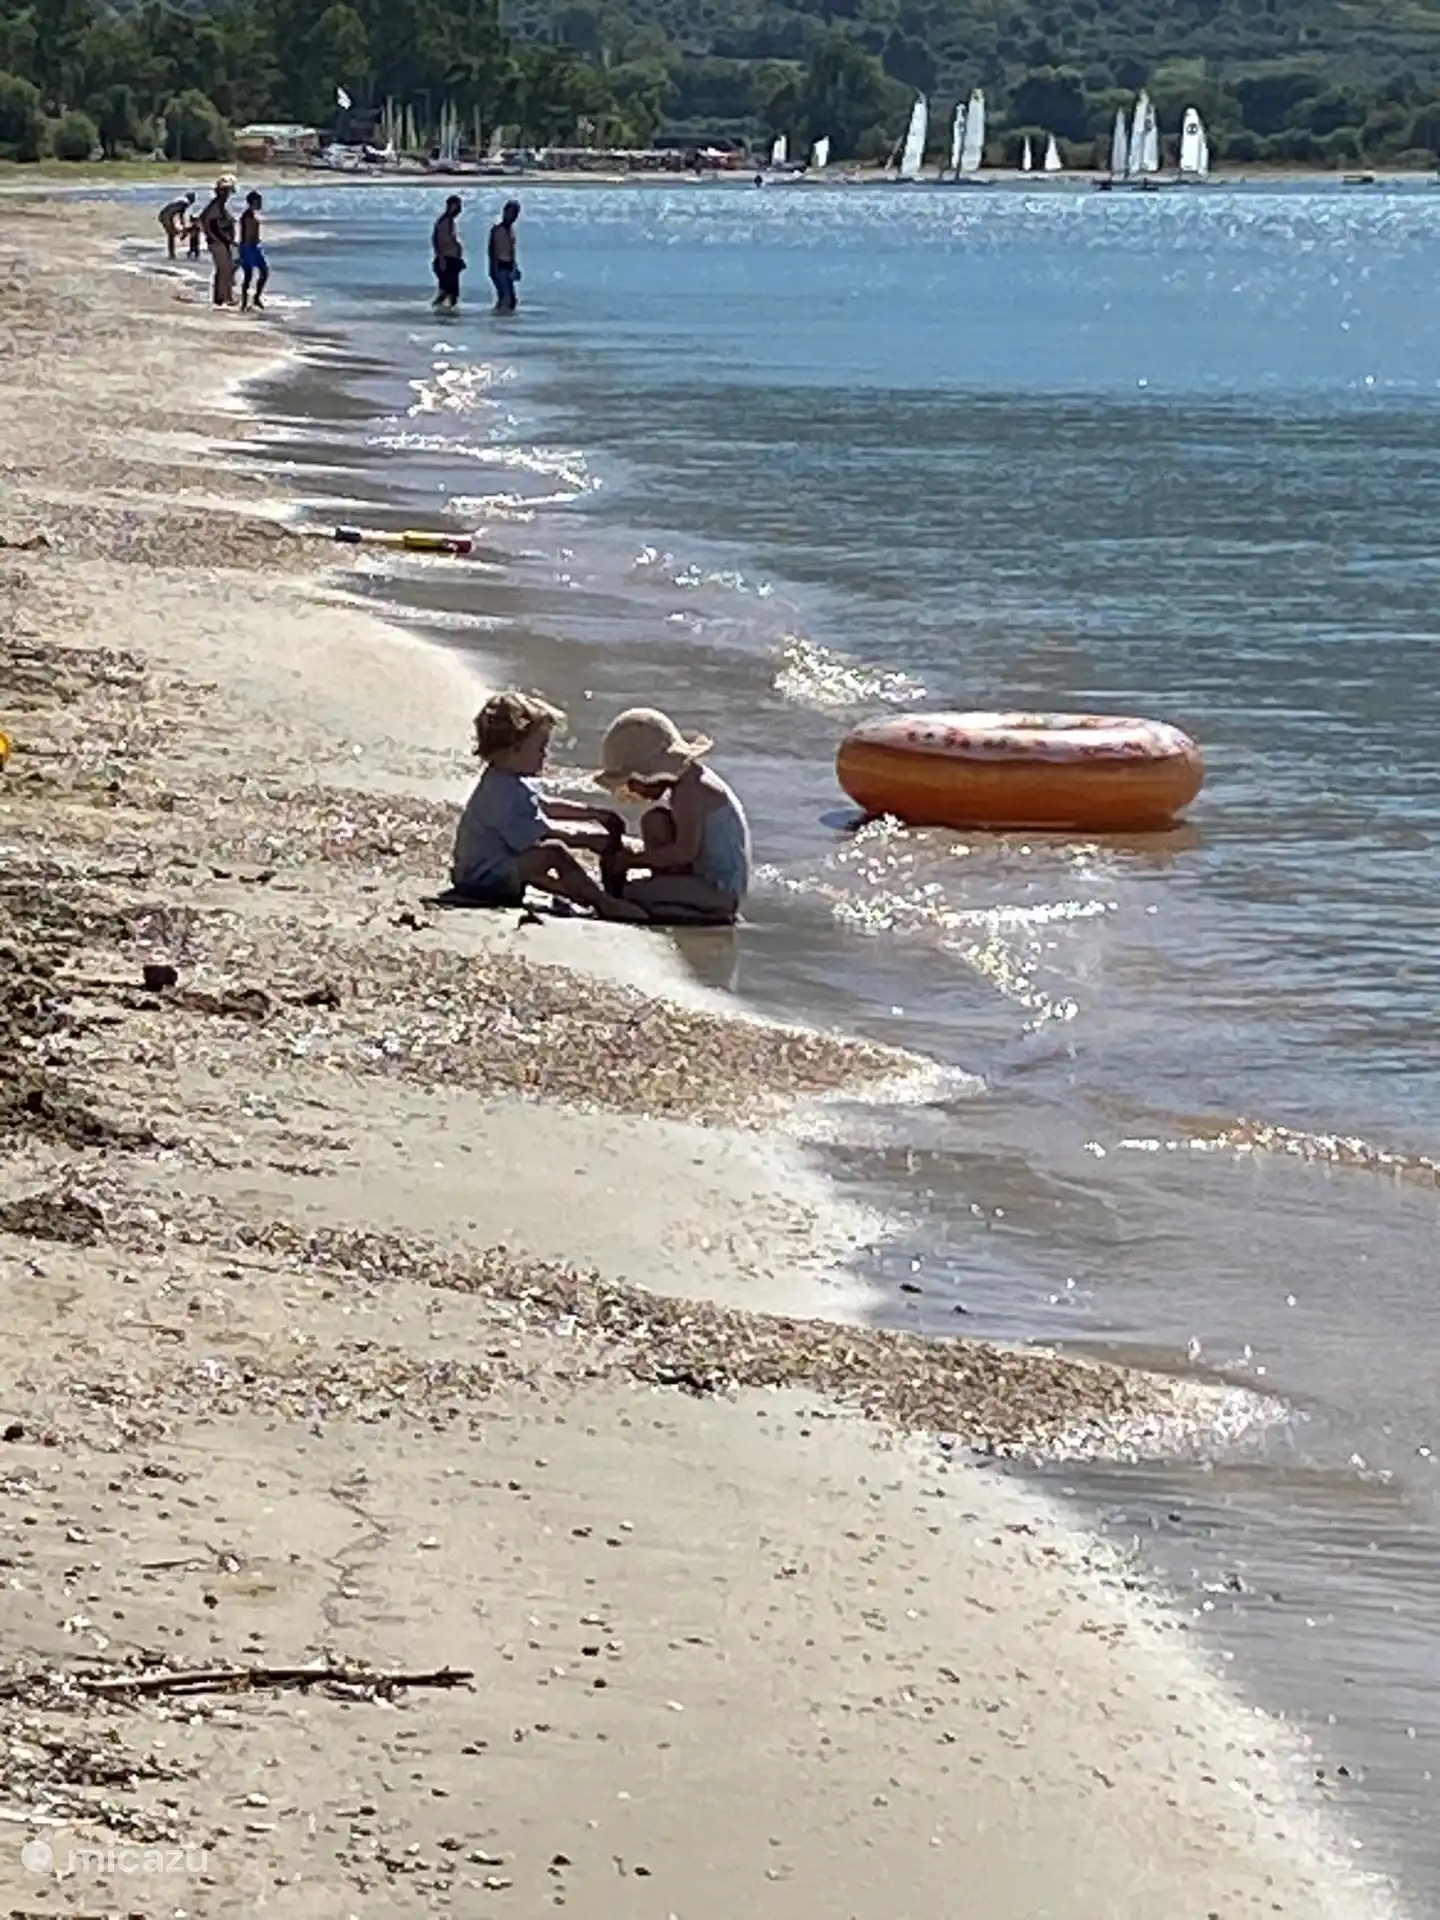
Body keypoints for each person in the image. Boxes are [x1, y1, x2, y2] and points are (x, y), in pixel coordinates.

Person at [451, 691, 645, 921]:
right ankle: (604, 903)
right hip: (480, 877)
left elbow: (544, 805)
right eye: (540, 748)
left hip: (494, 867)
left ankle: (590, 895)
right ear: (513, 751)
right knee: (553, 852)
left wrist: (594, 814)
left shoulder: (510, 780)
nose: (545, 755)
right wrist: (587, 839)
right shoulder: (499, 792)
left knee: (545, 856)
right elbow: (542, 832)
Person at [595, 708, 751, 925]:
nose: (633, 790)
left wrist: (631, 861)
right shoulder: (690, 779)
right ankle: (670, 891)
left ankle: (705, 912)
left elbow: (684, 853)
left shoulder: (688, 792)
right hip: (704, 879)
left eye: (633, 782)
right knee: (654, 820)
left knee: (629, 893)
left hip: (718, 890)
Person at [198, 175, 237, 307]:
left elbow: (205, 221)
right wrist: (226, 240)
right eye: (225, 191)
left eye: (228, 191)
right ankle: (220, 299)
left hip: (217, 242)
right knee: (224, 270)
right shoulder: (216, 205)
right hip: (217, 243)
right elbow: (213, 225)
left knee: (225, 269)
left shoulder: (218, 205)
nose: (227, 194)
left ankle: (224, 297)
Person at [487, 199, 521, 313]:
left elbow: (512, 251)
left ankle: (501, 318)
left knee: (510, 299)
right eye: (510, 213)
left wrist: (514, 267)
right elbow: (492, 251)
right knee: (507, 297)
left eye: (515, 214)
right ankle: (501, 317)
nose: (512, 216)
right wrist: (493, 268)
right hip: (499, 266)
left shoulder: (510, 231)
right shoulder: (497, 230)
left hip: (508, 266)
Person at [432, 195, 465, 310]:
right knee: (449, 292)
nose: (459, 210)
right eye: (457, 206)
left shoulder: (449, 221)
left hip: (451, 259)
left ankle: (443, 310)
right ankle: (443, 312)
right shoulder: (445, 221)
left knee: (448, 291)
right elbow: (438, 241)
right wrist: (441, 259)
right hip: (447, 259)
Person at [238, 191, 269, 312]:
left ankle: (255, 298)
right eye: (259, 201)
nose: (261, 203)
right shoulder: (247, 216)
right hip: (248, 247)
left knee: (264, 272)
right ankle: (245, 303)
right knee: (248, 276)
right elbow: (244, 234)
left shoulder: (251, 214)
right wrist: (242, 251)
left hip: (255, 246)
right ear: (253, 202)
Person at [158, 191, 195, 260]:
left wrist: (182, 227)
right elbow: (180, 216)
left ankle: (172, 253)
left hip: (164, 215)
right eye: (193, 199)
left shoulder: (181, 202)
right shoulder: (184, 204)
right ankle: (171, 254)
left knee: (172, 234)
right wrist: (183, 227)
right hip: (166, 216)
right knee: (171, 234)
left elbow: (178, 215)